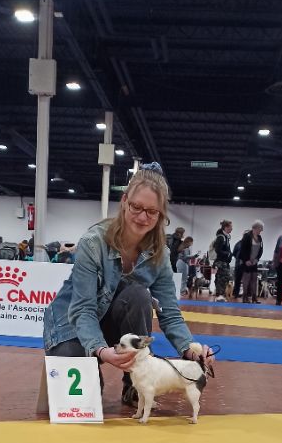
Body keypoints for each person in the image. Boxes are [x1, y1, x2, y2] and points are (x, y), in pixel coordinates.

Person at [43, 162, 213, 407]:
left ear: (161, 214)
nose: (143, 217)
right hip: (70, 324)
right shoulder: (93, 243)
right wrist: (101, 350)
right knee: (82, 403)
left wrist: (190, 349)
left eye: (152, 211)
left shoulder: (160, 254)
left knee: (139, 295)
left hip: (110, 325)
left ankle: (134, 386)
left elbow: (170, 314)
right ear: (124, 201)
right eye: (136, 207)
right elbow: (83, 310)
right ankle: (87, 364)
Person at [238, 221, 264, 303]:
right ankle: (245, 297)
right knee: (246, 280)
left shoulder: (259, 237)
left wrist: (257, 259)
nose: (262, 230)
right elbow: (243, 250)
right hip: (246, 262)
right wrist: (246, 260)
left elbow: (261, 250)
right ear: (255, 228)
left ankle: (254, 298)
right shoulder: (247, 236)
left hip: (254, 262)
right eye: (261, 228)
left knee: (254, 280)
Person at [213, 220, 232, 302]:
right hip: (221, 262)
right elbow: (217, 250)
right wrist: (228, 253)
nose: (232, 228)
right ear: (226, 227)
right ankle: (219, 295)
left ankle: (220, 294)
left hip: (224, 262)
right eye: (231, 227)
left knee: (224, 277)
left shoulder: (226, 237)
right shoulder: (221, 237)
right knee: (222, 278)